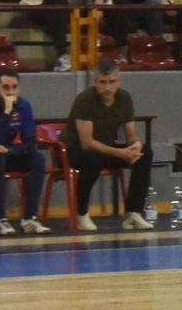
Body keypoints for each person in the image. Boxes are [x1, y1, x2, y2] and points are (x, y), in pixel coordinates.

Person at [62, 59, 154, 230]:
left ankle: (134, 213)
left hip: (105, 148)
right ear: (95, 82)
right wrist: (120, 153)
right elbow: (87, 143)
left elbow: (131, 135)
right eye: (103, 82)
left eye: (112, 82)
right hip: (76, 150)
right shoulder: (85, 99)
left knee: (145, 154)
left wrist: (135, 145)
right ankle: (81, 214)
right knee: (92, 159)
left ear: (118, 81)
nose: (107, 87)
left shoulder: (124, 98)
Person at [0, 71, 51, 235]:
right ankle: (0, 219)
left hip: (7, 151)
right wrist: (7, 112)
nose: (10, 92)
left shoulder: (24, 106)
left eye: (14, 87)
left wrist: (11, 150)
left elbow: (31, 142)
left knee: (37, 159)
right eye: (5, 87)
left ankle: (29, 218)